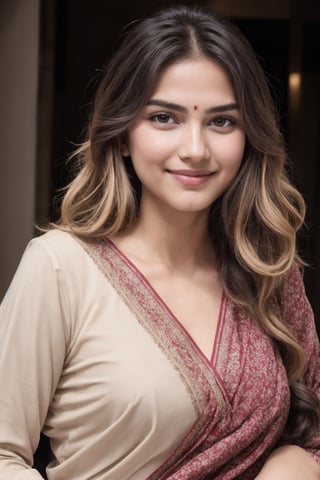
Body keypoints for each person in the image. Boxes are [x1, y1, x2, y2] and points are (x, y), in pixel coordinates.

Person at [0, 4, 319, 479]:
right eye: (164, 118)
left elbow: (312, 434)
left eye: (222, 121)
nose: (195, 149)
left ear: (249, 136)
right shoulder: (61, 268)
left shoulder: (267, 268)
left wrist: (292, 465)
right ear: (124, 133)